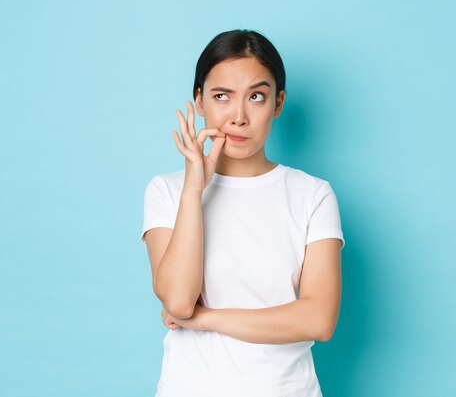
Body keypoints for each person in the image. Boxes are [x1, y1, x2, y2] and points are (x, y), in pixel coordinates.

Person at [140, 29, 345, 397]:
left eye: (256, 97)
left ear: (278, 104)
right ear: (199, 101)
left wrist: (206, 319)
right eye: (222, 96)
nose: (238, 116)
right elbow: (179, 300)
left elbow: (319, 319)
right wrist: (193, 190)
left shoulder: (312, 194)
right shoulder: (167, 191)